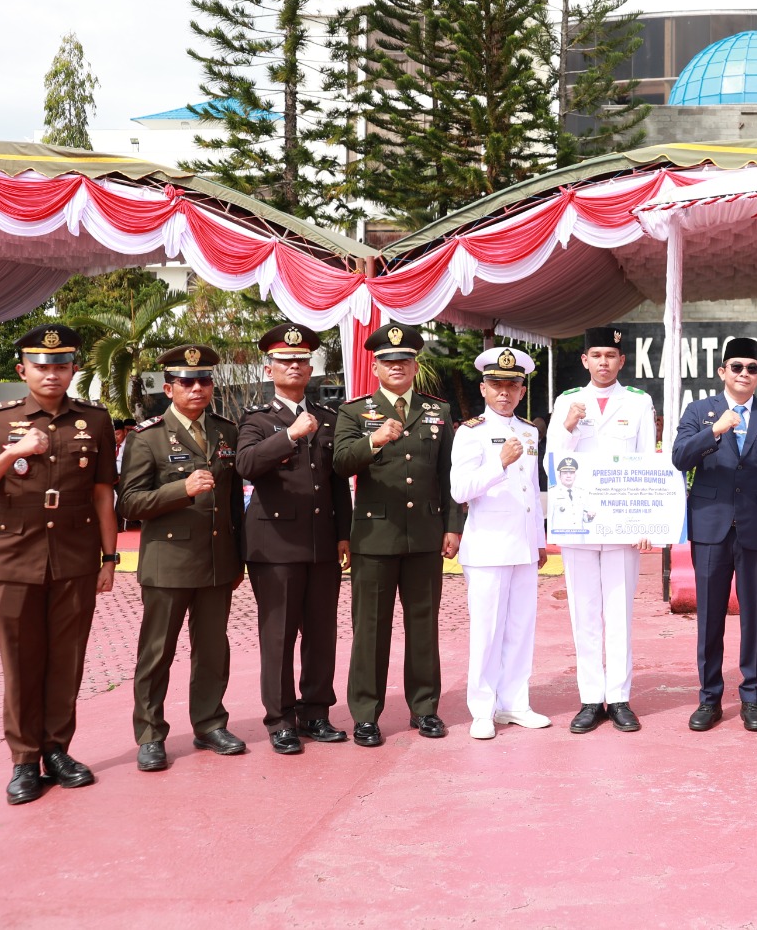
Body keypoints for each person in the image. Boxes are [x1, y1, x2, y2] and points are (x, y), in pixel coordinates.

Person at [0, 325, 118, 805]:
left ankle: (57, 751)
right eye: (41, 366)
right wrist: (13, 452)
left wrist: (109, 558)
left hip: (74, 554)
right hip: (14, 555)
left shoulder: (95, 420)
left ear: (73, 370)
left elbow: (103, 494)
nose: (51, 374)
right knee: (22, 661)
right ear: (22, 370)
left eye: (61, 365)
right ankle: (24, 760)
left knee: (67, 660)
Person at [333, 323, 463, 748]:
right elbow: (340, 463)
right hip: (375, 536)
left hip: (425, 534)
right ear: (376, 367)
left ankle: (424, 708)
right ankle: (365, 714)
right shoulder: (355, 412)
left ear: (414, 365)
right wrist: (372, 440)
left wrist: (452, 526)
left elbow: (448, 473)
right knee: (370, 629)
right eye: (389, 361)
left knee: (423, 626)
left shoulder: (437, 411)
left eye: (404, 360)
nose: (397, 367)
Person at [117, 344, 246, 771]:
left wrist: (238, 557)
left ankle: (209, 724)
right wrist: (181, 490)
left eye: (204, 381)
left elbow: (233, 502)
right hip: (168, 563)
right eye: (187, 382)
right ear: (169, 388)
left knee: (212, 650)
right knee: (157, 654)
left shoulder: (226, 431)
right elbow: (129, 503)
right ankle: (150, 735)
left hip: (216, 560)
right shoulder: (147, 437)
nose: (197, 389)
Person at [235, 322, 352, 755]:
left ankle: (316, 712)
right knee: (279, 635)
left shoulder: (329, 418)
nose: (295, 366)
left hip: (322, 543)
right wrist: (289, 435)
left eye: (302, 360)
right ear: (269, 369)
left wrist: (344, 534)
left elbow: (337, 481)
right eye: (285, 361)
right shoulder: (257, 419)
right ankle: (281, 719)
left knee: (321, 632)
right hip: (275, 545)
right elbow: (246, 464)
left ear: (310, 368)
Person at [672, 337, 757, 733]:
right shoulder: (700, 412)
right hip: (710, 527)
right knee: (709, 614)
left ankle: (752, 696)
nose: (744, 373)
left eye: (752, 368)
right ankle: (709, 698)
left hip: (756, 529)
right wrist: (716, 430)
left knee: (755, 615)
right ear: (722, 371)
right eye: (737, 367)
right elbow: (679, 458)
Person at [545, 326, 657, 734]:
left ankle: (620, 698)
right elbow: (552, 462)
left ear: (621, 361)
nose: (604, 362)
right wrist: (568, 426)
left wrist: (645, 521)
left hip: (621, 524)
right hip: (578, 523)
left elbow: (646, 462)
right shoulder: (567, 401)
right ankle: (591, 698)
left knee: (619, 613)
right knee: (584, 613)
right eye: (596, 355)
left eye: (611, 355)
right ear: (585, 360)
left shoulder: (639, 402)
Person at [450, 346, 549, 740]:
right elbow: (460, 490)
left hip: (523, 545)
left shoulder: (528, 431)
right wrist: (499, 463)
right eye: (496, 384)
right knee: (487, 632)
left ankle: (514, 703)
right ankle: (482, 709)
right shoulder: (470, 432)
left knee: (521, 629)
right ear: (483, 388)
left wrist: (539, 540)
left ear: (522, 391)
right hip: (488, 546)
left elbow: (532, 490)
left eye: (512, 385)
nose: (504, 392)